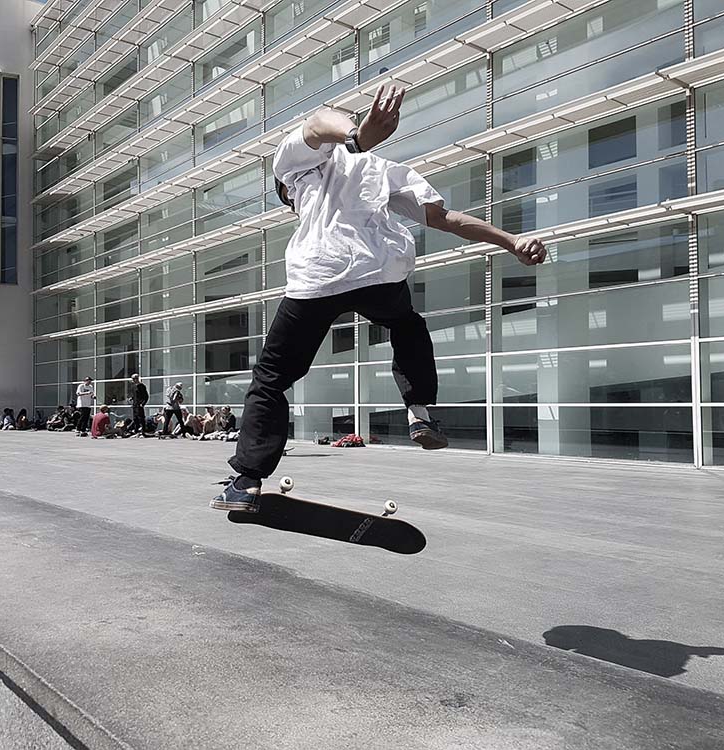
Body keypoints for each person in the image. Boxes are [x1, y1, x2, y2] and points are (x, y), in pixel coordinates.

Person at [212, 87, 546, 512]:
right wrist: (510, 240)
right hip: (378, 273)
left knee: (271, 378)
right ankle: (419, 411)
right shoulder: (385, 169)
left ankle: (246, 482)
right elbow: (446, 219)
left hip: (320, 274)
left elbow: (317, 121)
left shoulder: (295, 169)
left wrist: (357, 137)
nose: (292, 203)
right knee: (407, 325)